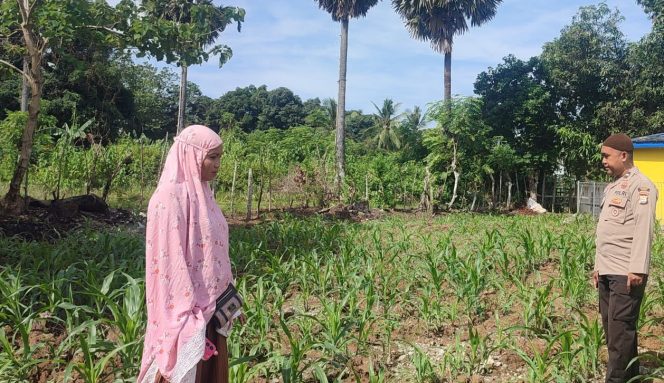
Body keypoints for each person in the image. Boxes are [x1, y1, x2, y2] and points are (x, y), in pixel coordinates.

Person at [137, 125, 241, 383]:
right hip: (186, 312)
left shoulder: (205, 194)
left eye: (220, 157)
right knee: (180, 370)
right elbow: (168, 261)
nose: (217, 164)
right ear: (191, 155)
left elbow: (215, 252)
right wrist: (186, 313)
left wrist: (228, 294)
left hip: (212, 309)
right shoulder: (168, 198)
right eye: (212, 157)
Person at [593, 133, 659, 383]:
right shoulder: (612, 187)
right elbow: (606, 230)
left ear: (623, 155)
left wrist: (638, 269)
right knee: (615, 333)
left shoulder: (641, 186)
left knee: (619, 334)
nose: (603, 161)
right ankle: (631, 376)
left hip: (626, 272)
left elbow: (644, 229)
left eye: (606, 156)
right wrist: (598, 266)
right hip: (608, 271)